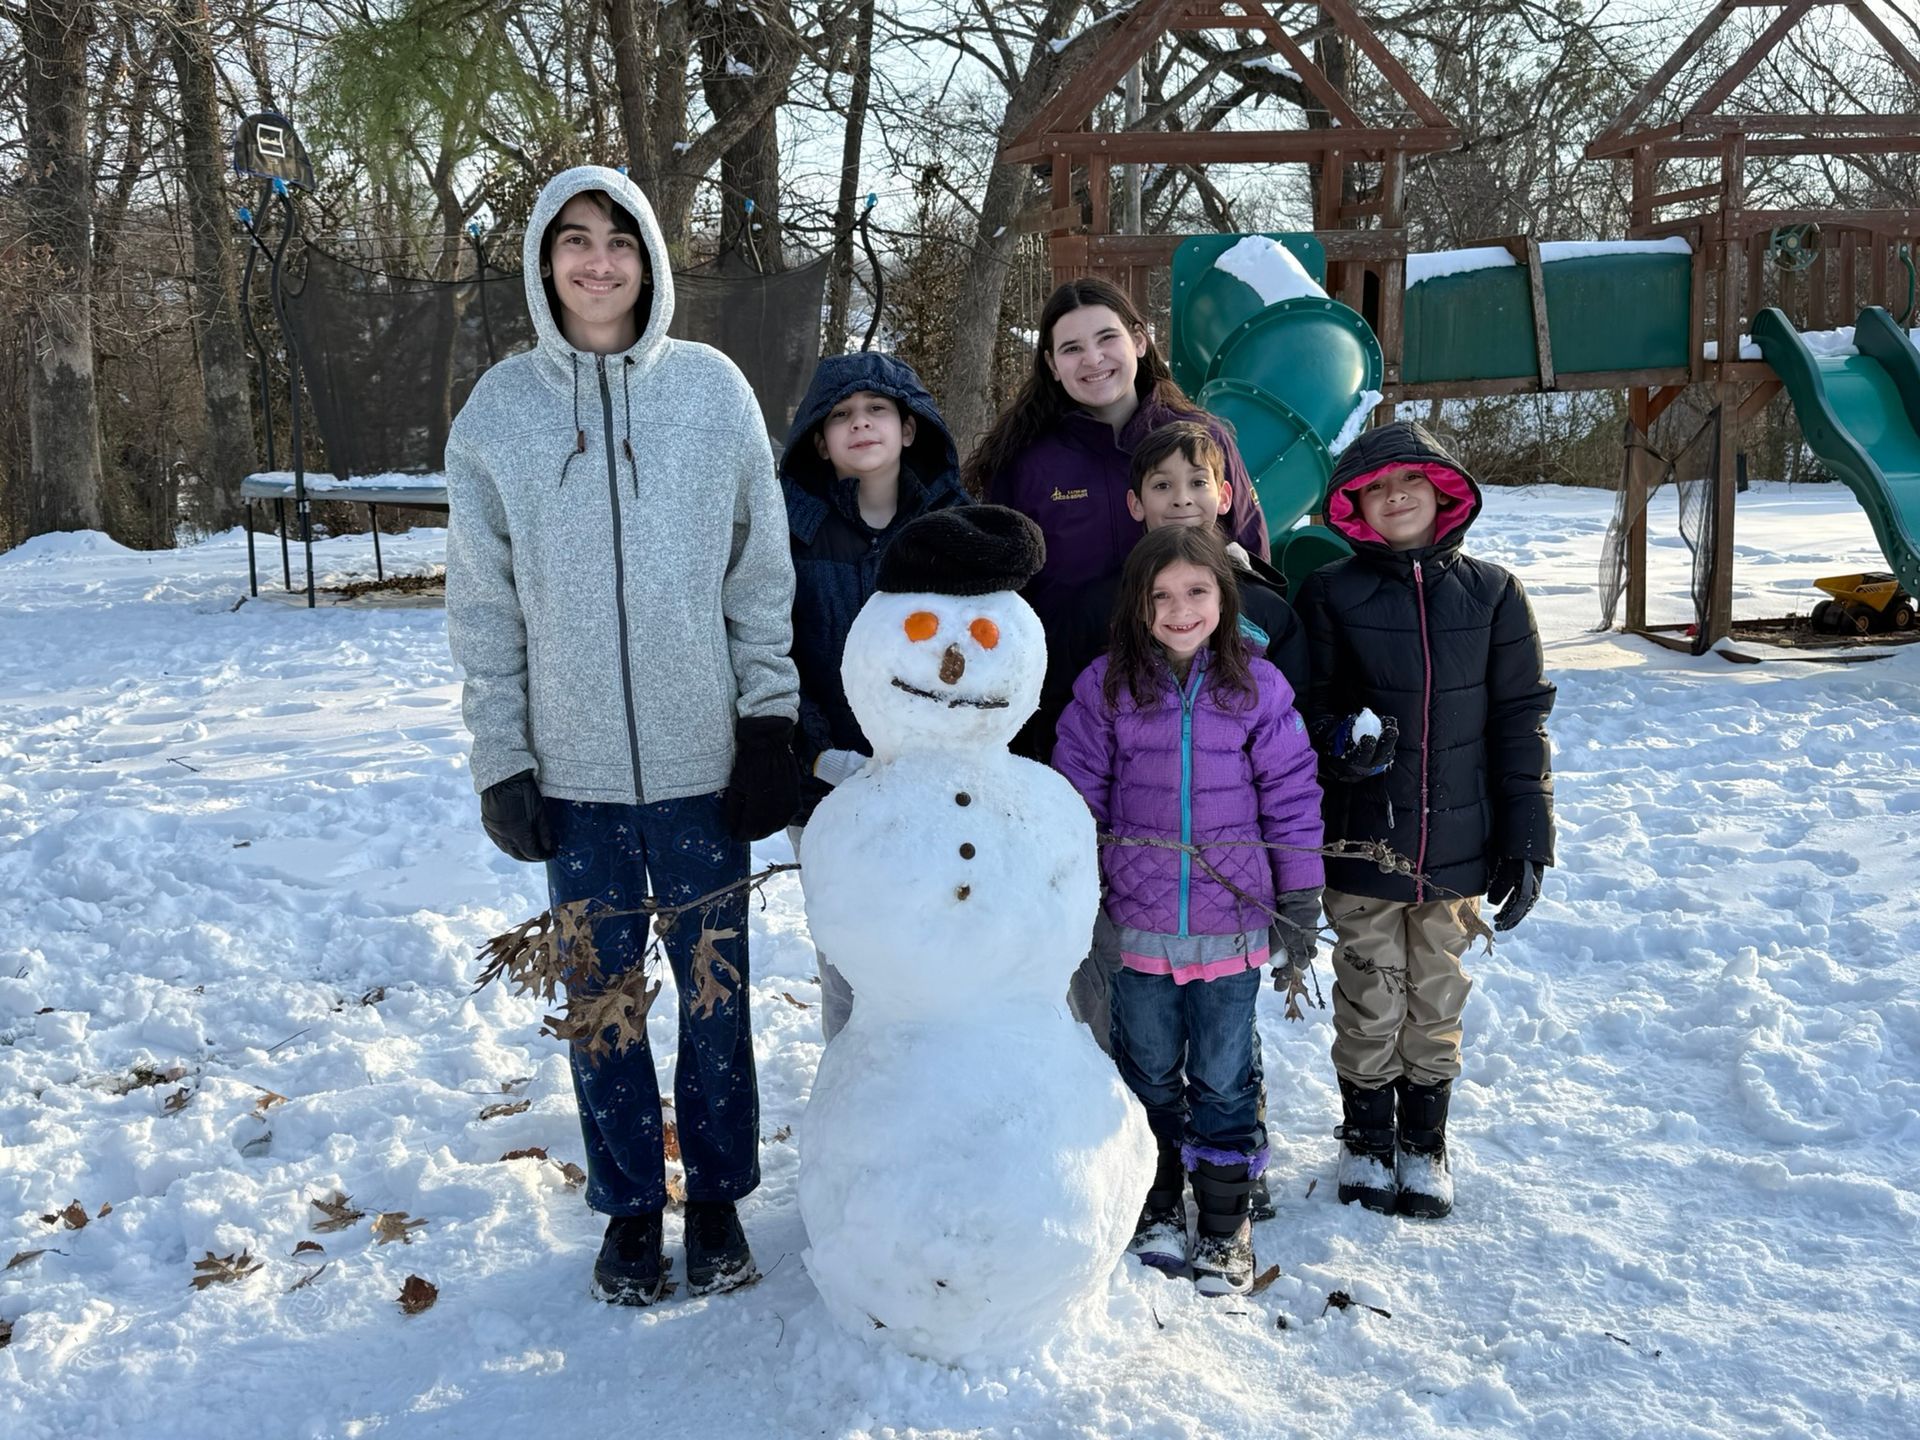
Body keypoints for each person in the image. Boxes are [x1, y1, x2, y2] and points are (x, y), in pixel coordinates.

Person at [444, 166, 800, 1307]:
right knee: (603, 1006)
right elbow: (483, 602)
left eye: (619, 243)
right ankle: (632, 1214)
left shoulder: (713, 392)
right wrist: (502, 756)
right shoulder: (500, 411)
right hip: (576, 771)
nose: (598, 263)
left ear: (650, 258)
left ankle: (723, 1199)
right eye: (575, 243)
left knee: (714, 998)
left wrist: (768, 721)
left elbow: (760, 573)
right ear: (545, 265)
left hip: (706, 768)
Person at [1053, 525, 1324, 1296]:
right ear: (1136, 606)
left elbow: (1294, 796)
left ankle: (1224, 1222)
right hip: (1135, 930)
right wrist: (1080, 902)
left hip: (1231, 927)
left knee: (1224, 1075)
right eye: (1160, 596)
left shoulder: (1259, 688)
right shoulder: (1104, 689)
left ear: (1224, 598)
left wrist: (1298, 897)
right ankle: (1158, 1205)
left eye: (1196, 592)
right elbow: (1077, 805)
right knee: (1146, 1071)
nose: (1179, 610)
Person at [1294, 421, 1555, 1221]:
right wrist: (1341, 746)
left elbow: (1520, 719)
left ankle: (1423, 1142)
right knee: (1371, 994)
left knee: (1436, 998)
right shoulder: (1331, 593)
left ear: (1443, 494)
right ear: (1354, 506)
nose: (1396, 496)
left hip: (1458, 849)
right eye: (1377, 487)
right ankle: (1367, 1138)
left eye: (1410, 482)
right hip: (1362, 843)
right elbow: (1306, 707)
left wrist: (1526, 835)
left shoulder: (1494, 593)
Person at [780, 351, 967, 1041]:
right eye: (841, 416)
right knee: (850, 966)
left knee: (936, 959)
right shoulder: (788, 533)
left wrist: (937, 754)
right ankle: (854, 1117)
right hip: (828, 789)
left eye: (876, 410)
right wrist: (817, 750)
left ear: (909, 428)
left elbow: (981, 657)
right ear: (821, 443)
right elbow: (770, 650)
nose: (860, 424)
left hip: (934, 788)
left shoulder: (956, 527)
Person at [964, 278, 1270, 624]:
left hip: (1192, 668)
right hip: (1067, 668)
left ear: (1138, 341)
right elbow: (1000, 592)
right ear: (1052, 365)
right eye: (1072, 348)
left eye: (1107, 338)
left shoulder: (1203, 441)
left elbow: (1251, 565)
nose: (1093, 359)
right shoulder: (1025, 460)